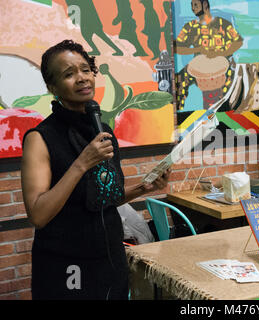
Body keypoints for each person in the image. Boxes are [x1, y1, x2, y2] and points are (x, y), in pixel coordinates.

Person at [21, 39, 170, 300]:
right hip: (65, 265)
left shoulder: (102, 130)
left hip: (109, 258)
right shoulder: (40, 138)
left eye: (85, 69)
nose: (81, 78)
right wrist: (81, 163)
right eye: (69, 74)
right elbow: (38, 215)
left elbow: (105, 198)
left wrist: (144, 188)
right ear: (52, 87)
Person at [175, 0, 243, 110]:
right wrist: (198, 49)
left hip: (224, 67)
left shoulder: (223, 23)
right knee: (178, 82)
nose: (193, 8)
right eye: (191, 5)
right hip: (199, 69)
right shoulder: (190, 27)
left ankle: (225, 112)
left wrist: (221, 53)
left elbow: (238, 42)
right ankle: (180, 115)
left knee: (234, 84)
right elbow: (177, 48)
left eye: (196, 5)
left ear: (205, 5)